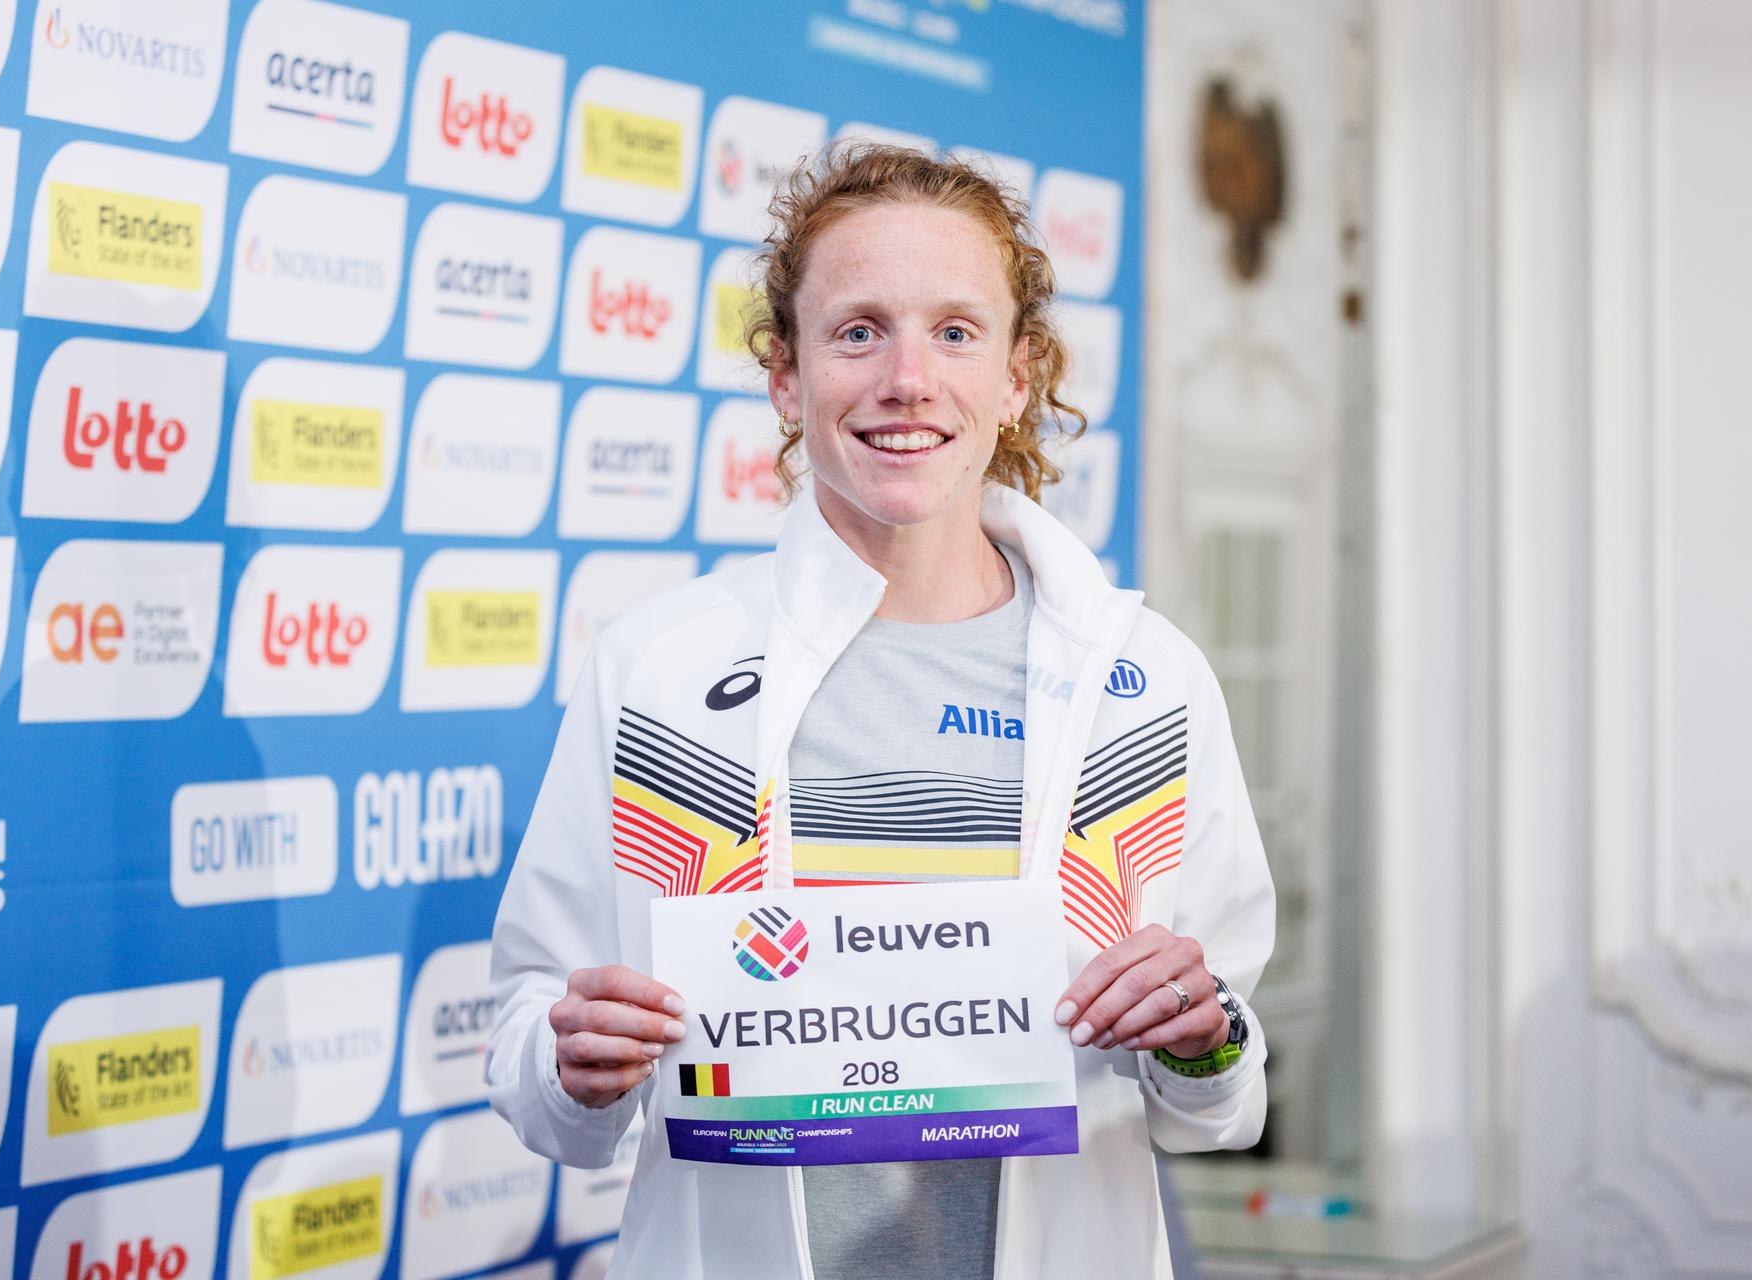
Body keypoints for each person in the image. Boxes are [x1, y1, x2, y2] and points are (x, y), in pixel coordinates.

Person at [487, 143, 1275, 1279]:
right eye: (858, 330)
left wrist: (1203, 1040)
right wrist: (570, 1064)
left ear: (1015, 375)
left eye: (956, 330)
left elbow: (1220, 1097)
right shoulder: (659, 675)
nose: (909, 376)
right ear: (785, 374)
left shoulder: (1142, 685)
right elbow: (535, 1052)